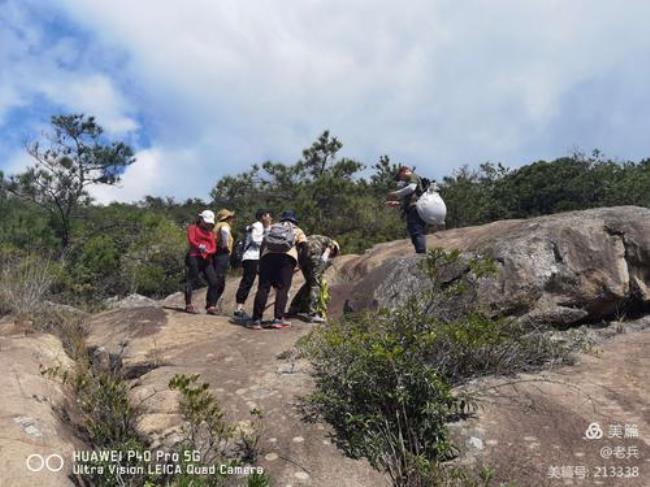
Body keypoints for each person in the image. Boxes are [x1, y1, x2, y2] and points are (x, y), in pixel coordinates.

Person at [248, 210, 306, 330]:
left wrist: (260, 261)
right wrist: (300, 262)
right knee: (282, 289)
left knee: (263, 288)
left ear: (282, 219)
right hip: (287, 257)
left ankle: (256, 320)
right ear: (294, 220)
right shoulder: (297, 229)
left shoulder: (273, 227)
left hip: (267, 257)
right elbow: (303, 246)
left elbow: (264, 243)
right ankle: (278, 319)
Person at [288, 235, 339, 323]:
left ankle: (294, 307)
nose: (331, 255)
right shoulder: (331, 244)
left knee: (309, 282)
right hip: (313, 254)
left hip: (301, 255)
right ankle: (312, 313)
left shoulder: (318, 238)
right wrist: (320, 270)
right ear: (335, 249)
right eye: (333, 254)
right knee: (316, 284)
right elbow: (324, 257)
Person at [233, 209, 273, 318]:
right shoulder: (258, 226)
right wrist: (267, 235)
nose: (271, 218)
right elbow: (256, 240)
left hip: (253, 257)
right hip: (253, 257)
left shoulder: (259, 226)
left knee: (248, 281)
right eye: (269, 216)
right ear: (263, 216)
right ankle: (239, 308)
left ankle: (241, 307)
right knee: (248, 281)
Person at [386, 165, 428, 254]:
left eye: (400, 177)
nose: (401, 180)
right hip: (413, 209)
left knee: (417, 231)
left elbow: (411, 188)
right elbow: (411, 197)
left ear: (404, 171)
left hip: (415, 209)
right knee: (414, 232)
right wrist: (397, 203)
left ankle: (421, 253)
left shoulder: (413, 176)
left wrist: (396, 194)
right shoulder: (410, 180)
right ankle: (419, 252)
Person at [185, 210, 219, 314]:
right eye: (206, 222)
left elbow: (214, 247)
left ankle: (211, 306)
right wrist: (199, 246)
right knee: (192, 279)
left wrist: (209, 251)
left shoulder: (210, 233)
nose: (208, 224)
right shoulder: (193, 228)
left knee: (214, 281)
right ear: (201, 220)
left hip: (207, 258)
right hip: (194, 256)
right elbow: (191, 240)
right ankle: (188, 304)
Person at [212, 209, 235, 313]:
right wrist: (225, 245)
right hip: (222, 253)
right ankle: (213, 304)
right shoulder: (224, 225)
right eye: (231, 217)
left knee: (217, 277)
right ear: (227, 218)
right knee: (220, 278)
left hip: (216, 253)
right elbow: (225, 233)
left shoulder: (217, 225)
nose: (232, 219)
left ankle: (212, 304)